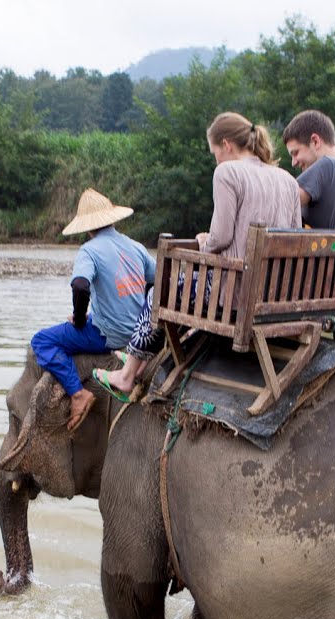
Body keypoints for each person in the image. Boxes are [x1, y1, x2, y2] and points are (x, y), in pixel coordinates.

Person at [95, 111, 300, 398]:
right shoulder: (287, 179)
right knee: (179, 286)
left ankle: (127, 375)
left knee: (159, 292)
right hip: (276, 294)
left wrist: (204, 241)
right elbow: (294, 237)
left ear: (226, 144)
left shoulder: (228, 172)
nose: (216, 159)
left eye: (215, 152)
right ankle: (140, 357)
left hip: (234, 293)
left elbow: (221, 237)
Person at [30, 188, 155, 430]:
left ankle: (78, 393)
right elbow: (158, 278)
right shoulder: (135, 246)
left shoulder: (89, 250)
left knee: (41, 341)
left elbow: (80, 285)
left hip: (111, 335)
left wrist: (78, 319)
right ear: (112, 219)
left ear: (87, 228)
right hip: (140, 332)